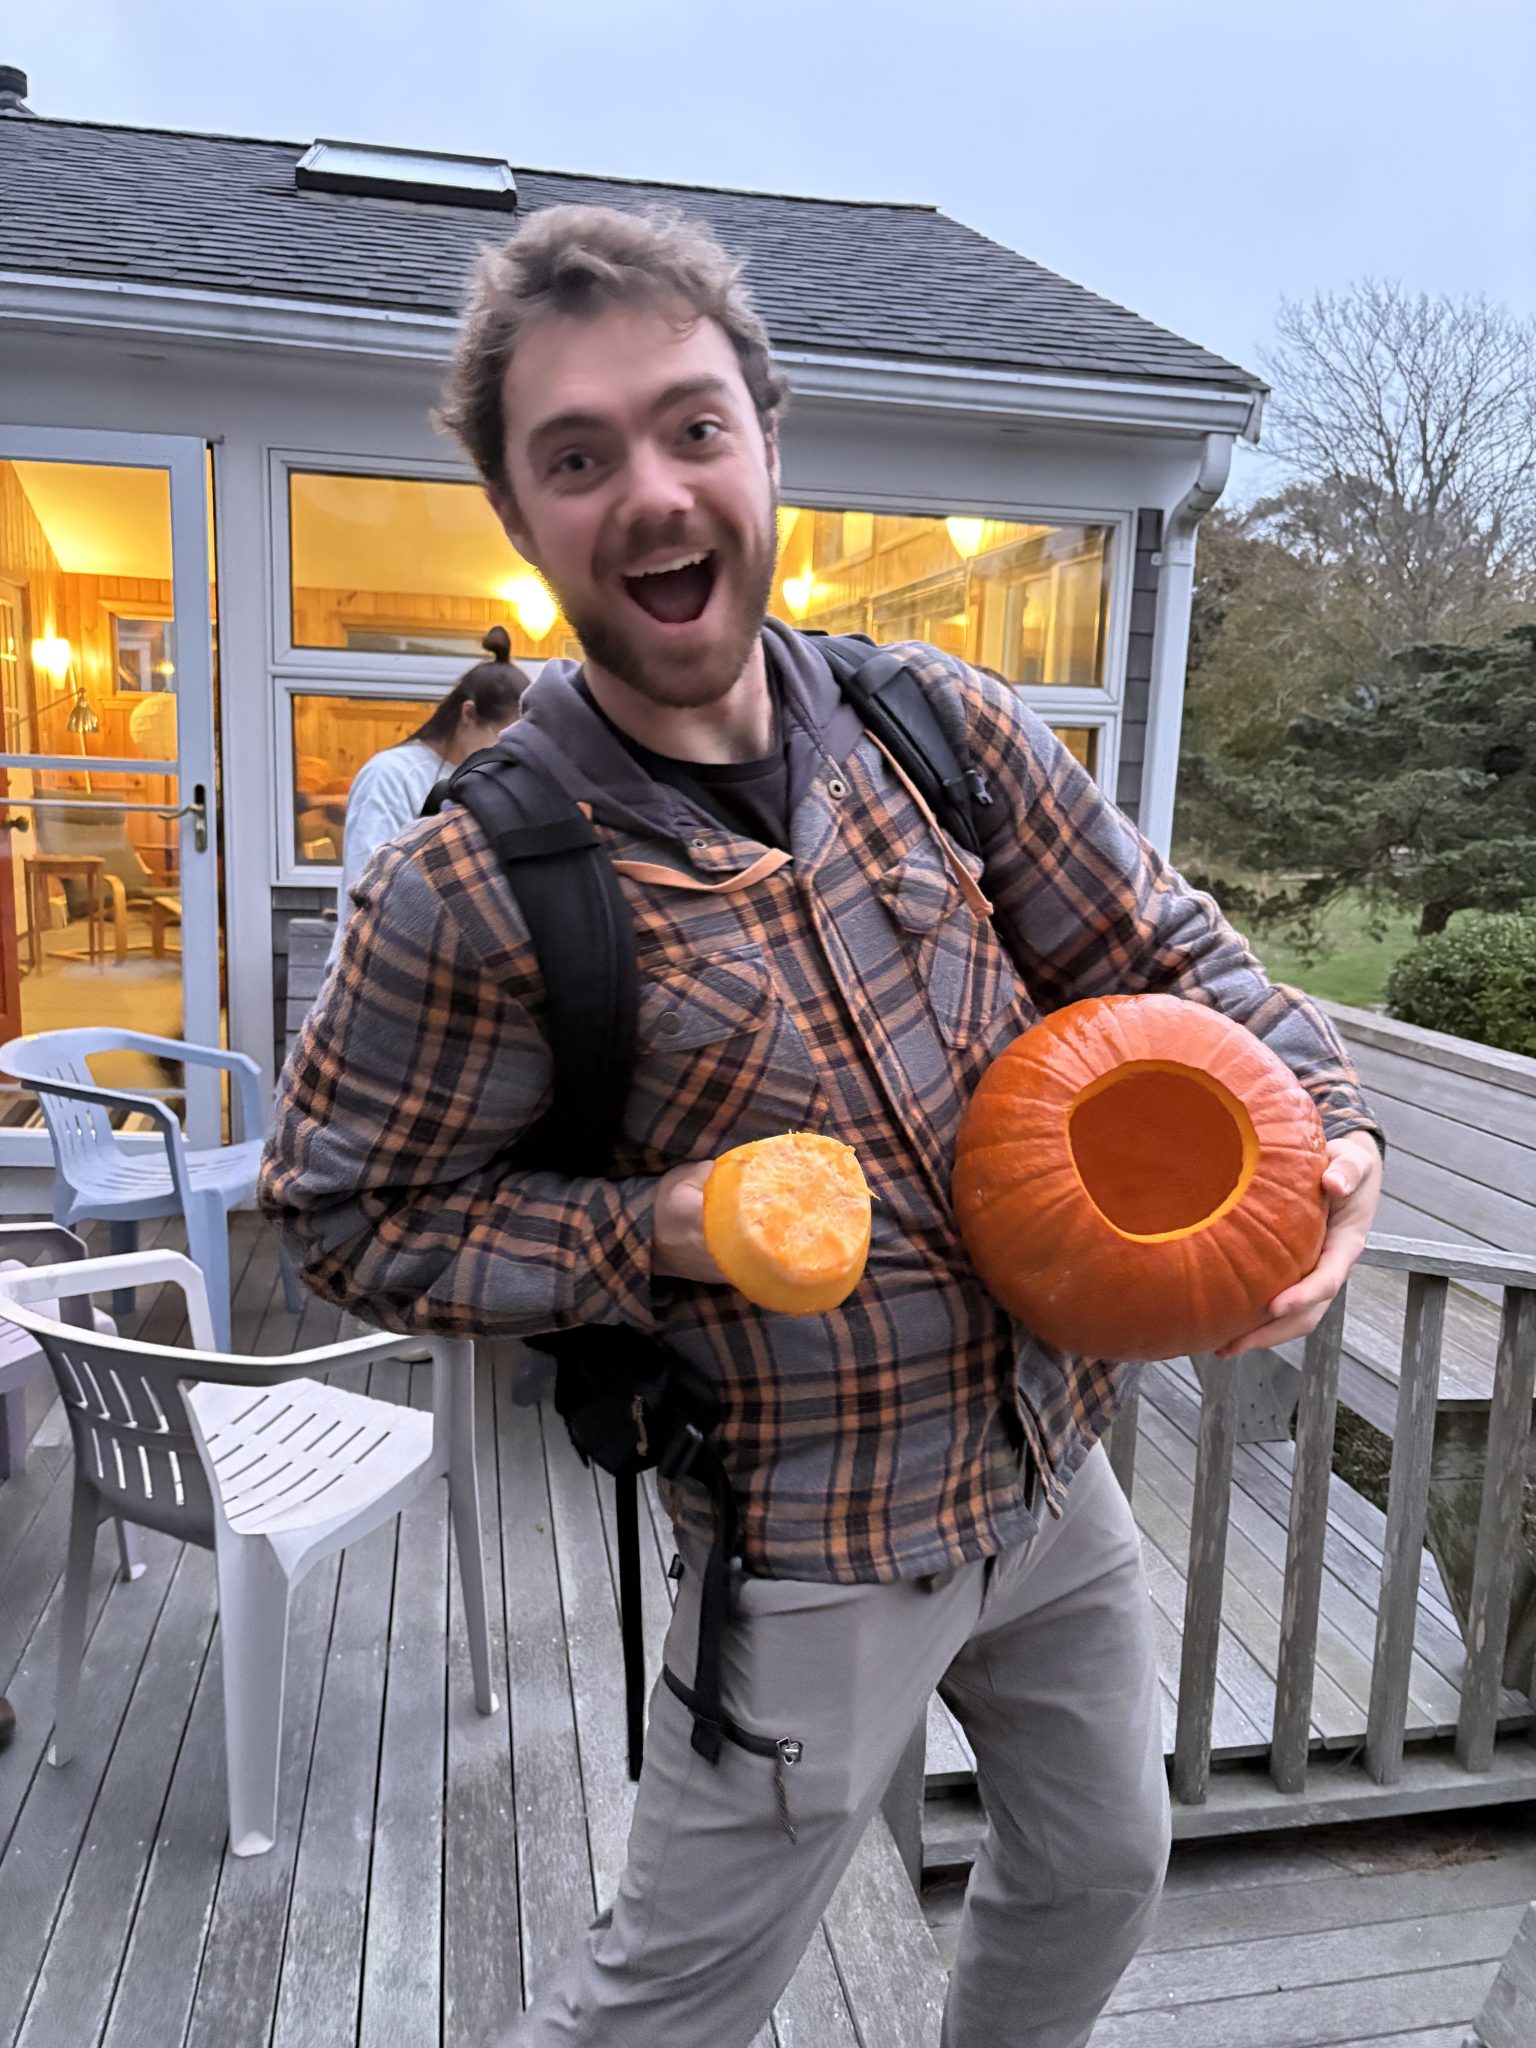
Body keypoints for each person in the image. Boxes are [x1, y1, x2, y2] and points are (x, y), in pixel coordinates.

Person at [260, 206, 1384, 2048]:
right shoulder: (470, 886)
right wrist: (655, 1227)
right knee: (672, 2002)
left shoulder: (933, 728)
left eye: (691, 426)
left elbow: (1169, 957)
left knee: (1103, 1864)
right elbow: (345, 1217)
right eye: (577, 457)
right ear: (521, 516)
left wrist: (1328, 1130)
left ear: (767, 443)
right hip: (809, 1545)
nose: (650, 489)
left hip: (1055, 1474)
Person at [325, 626, 528, 962]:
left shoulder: (491, 778)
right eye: (501, 738)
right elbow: (366, 885)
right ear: (468, 714)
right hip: (373, 964)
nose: (507, 753)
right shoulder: (390, 775)